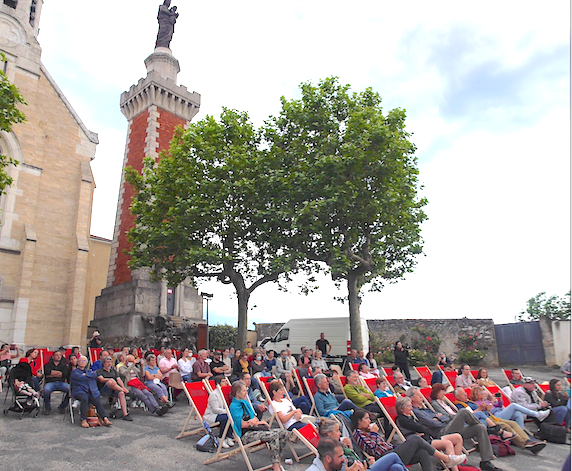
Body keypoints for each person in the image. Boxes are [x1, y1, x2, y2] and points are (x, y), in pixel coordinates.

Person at [406, 387, 502, 471]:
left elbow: (446, 416)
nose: (422, 397)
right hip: (441, 432)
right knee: (463, 412)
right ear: (412, 398)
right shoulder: (417, 412)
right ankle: (491, 430)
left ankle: (486, 461)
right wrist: (439, 418)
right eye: (419, 396)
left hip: (448, 427)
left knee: (480, 427)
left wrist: (439, 418)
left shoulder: (426, 409)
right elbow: (431, 423)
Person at [351, 408, 465, 471]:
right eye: (366, 419)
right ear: (359, 421)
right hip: (386, 457)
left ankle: (446, 460)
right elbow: (372, 449)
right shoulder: (358, 433)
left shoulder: (367, 431)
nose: (369, 421)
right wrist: (374, 434)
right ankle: (446, 458)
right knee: (415, 439)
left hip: (393, 451)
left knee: (422, 451)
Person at [463, 387, 547, 453]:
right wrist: (486, 405)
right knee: (507, 423)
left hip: (494, 416)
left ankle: (527, 440)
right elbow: (474, 415)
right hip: (489, 418)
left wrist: (497, 400)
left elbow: (498, 406)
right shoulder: (473, 404)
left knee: (514, 422)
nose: (483, 393)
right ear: (475, 395)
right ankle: (524, 444)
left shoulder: (485, 401)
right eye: (480, 392)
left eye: (482, 392)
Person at [229, 380, 290, 471]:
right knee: (273, 436)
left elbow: (255, 419)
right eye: (244, 391)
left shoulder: (245, 403)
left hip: (255, 429)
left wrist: (255, 422)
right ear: (237, 393)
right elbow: (242, 425)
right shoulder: (234, 407)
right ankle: (276, 465)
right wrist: (253, 422)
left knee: (283, 433)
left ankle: (278, 461)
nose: (246, 393)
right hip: (246, 434)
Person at [395, 395, 465, 471]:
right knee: (447, 443)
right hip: (423, 441)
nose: (411, 408)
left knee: (457, 437)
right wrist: (422, 430)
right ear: (402, 408)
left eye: (411, 405)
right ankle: (454, 468)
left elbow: (421, 427)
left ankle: (457, 464)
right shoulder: (402, 419)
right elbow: (420, 427)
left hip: (428, 437)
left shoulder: (410, 417)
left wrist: (423, 429)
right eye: (409, 406)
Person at [70, 356, 112, 428]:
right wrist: (89, 376)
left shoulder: (88, 371)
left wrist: (86, 375)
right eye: (81, 361)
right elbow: (80, 377)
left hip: (90, 391)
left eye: (84, 361)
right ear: (78, 362)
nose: (83, 362)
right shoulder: (74, 371)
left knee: (97, 400)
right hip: (79, 390)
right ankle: (83, 419)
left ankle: (104, 418)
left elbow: (95, 375)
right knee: (84, 398)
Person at [96, 356, 132, 421]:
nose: (109, 364)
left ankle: (125, 414)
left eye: (110, 362)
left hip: (115, 389)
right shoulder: (100, 371)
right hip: (104, 389)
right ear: (103, 364)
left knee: (121, 393)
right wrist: (111, 379)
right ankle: (126, 392)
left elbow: (119, 380)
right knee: (110, 381)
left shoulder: (114, 371)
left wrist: (123, 387)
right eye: (107, 362)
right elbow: (101, 379)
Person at [204, 376, 234, 448]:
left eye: (226, 381)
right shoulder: (214, 394)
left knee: (232, 415)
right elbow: (215, 409)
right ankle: (221, 438)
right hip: (212, 415)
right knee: (226, 418)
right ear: (218, 383)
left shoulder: (224, 392)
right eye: (223, 381)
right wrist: (227, 411)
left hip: (221, 412)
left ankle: (228, 436)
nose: (226, 383)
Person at [42, 351, 70, 415]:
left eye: (60, 355)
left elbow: (64, 374)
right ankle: (48, 408)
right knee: (46, 390)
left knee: (71, 390)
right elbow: (47, 372)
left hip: (61, 383)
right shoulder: (47, 365)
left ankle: (62, 406)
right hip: (50, 383)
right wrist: (59, 373)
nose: (58, 356)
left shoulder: (64, 366)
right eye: (57, 355)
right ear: (53, 357)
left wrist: (52, 374)